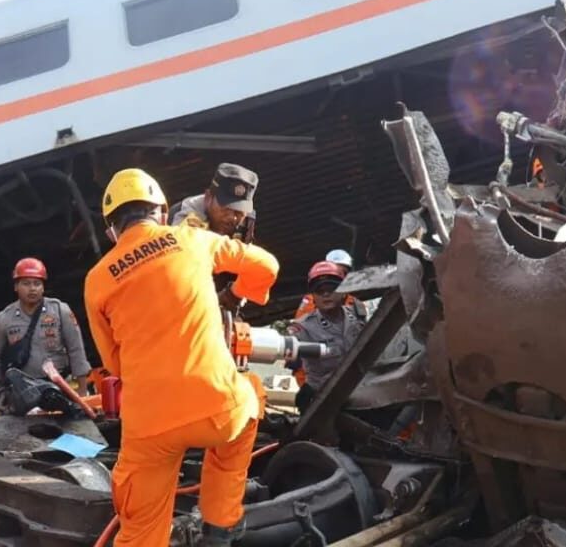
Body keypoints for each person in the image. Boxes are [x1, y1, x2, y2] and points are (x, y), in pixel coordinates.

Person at [84, 168, 279, 546]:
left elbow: (114, 363)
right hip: (218, 408)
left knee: (141, 529)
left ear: (112, 229)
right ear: (160, 212)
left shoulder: (96, 279)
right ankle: (219, 526)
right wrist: (239, 292)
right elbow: (267, 266)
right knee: (251, 393)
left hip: (149, 426)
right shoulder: (191, 239)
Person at [0, 258, 92, 405]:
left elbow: (76, 350)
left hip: (59, 387)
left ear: (43, 287)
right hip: (23, 391)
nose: (32, 288)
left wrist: (82, 393)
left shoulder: (60, 311)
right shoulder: (4, 318)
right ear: (16, 286)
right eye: (26, 283)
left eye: (37, 283)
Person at [288, 262, 366, 414]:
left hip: (359, 393)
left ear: (344, 291)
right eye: (319, 290)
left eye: (331, 289)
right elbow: (295, 365)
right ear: (313, 297)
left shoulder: (358, 316)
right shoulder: (302, 328)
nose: (325, 294)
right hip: (322, 398)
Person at [169, 163, 258, 240]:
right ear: (208, 197)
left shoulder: (246, 221)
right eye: (226, 209)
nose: (232, 217)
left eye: (238, 212)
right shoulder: (185, 217)